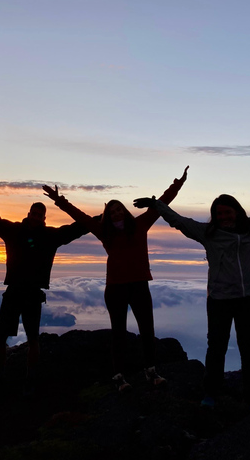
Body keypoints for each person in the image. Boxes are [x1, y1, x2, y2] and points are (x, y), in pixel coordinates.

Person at [134, 172, 250, 411]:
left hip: (249, 298)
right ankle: (211, 393)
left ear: (236, 211)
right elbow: (179, 221)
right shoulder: (207, 234)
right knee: (216, 348)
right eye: (219, 213)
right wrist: (157, 205)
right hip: (219, 300)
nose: (223, 217)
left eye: (227, 212)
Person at [42, 168, 188, 392]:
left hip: (139, 284)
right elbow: (79, 216)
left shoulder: (140, 224)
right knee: (118, 332)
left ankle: (151, 371)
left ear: (125, 211)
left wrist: (178, 184)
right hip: (115, 288)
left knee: (147, 330)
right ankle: (119, 377)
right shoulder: (104, 231)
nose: (117, 214)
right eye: (112, 212)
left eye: (119, 210)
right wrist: (58, 200)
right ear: (107, 217)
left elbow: (162, 203)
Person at [0, 187, 89, 394]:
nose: (37, 217)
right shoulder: (13, 230)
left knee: (33, 339)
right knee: (0, 338)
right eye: (35, 214)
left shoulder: (52, 236)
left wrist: (103, 217)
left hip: (32, 293)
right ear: (29, 213)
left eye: (41, 215)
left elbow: (79, 228)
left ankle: (30, 378)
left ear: (44, 218)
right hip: (14, 291)